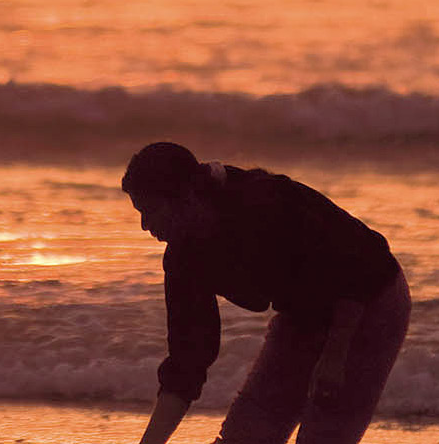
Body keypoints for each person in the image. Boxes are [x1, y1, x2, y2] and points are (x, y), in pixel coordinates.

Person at [122, 141, 410, 444]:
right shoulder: (183, 257)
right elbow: (187, 360)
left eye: (151, 211)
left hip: (371, 300)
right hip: (303, 313)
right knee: (244, 436)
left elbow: (358, 264)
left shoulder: (264, 203)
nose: (144, 225)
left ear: (186, 197)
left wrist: (335, 353)